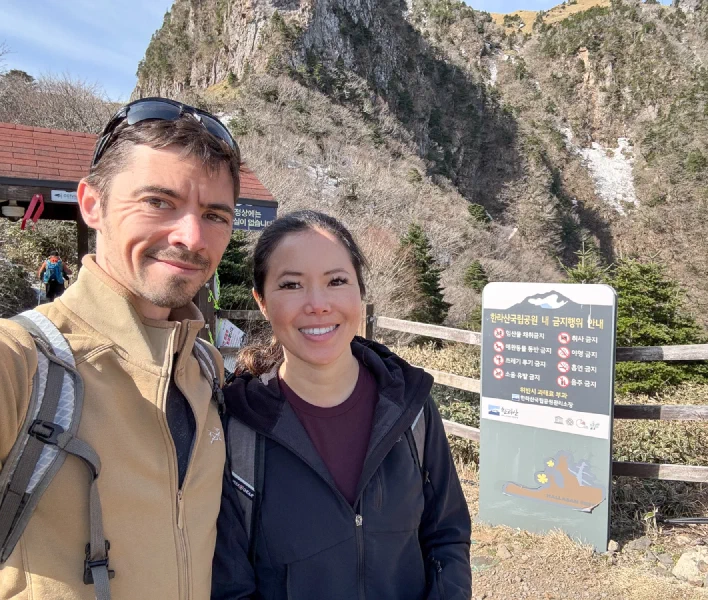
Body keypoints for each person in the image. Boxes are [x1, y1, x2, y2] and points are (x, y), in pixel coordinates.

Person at [0, 97, 241, 599]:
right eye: (159, 202)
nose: (192, 237)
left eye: (215, 214)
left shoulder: (204, 367)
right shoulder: (22, 363)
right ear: (92, 204)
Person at [212, 211, 472, 600]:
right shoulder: (238, 429)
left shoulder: (410, 408)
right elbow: (231, 585)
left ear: (360, 293)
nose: (318, 304)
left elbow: (447, 536)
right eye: (291, 285)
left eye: (336, 281)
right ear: (262, 302)